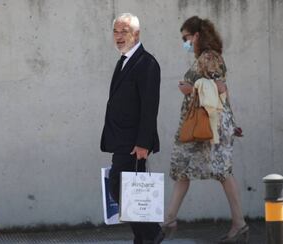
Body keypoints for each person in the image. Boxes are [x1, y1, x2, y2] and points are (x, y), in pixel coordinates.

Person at [163, 16, 248, 243]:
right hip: (206, 124)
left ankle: (238, 224)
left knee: (220, 171)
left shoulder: (208, 57)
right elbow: (221, 91)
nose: (185, 42)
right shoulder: (206, 57)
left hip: (209, 124)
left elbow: (219, 88)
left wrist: (190, 89)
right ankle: (169, 220)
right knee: (187, 167)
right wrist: (233, 119)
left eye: (186, 38)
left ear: (197, 36)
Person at [100, 13, 164, 244]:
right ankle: (144, 237)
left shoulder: (146, 63)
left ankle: (152, 233)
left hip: (134, 142)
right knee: (125, 190)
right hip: (122, 139)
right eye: (115, 32)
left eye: (123, 32)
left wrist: (143, 143)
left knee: (122, 187)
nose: (118, 37)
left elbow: (149, 107)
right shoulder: (124, 61)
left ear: (136, 34)